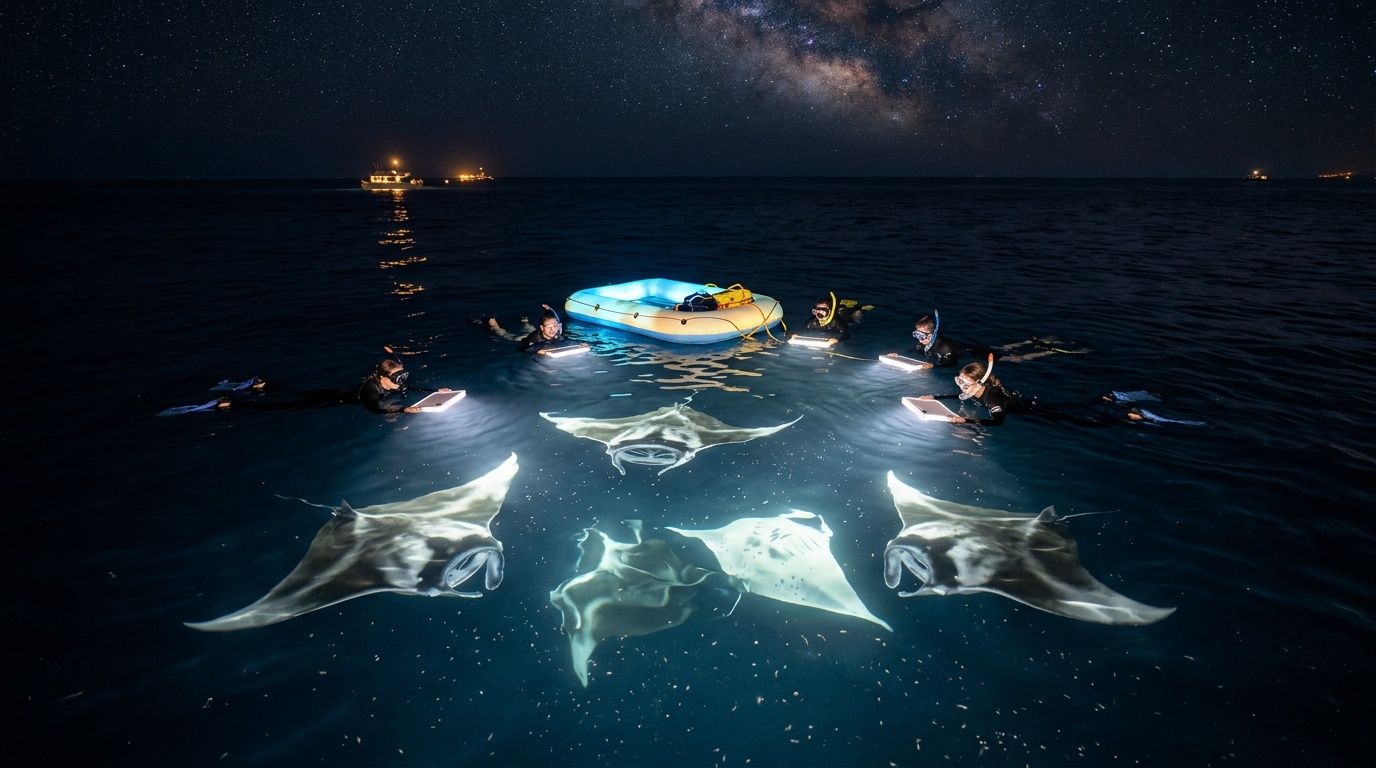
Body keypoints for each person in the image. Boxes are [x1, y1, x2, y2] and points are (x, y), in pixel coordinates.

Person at [919, 356, 1147, 427]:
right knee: (1076, 407)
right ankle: (1105, 399)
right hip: (1026, 402)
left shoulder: (993, 397)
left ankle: (1126, 416)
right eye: (960, 381)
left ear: (980, 383)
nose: (962, 386)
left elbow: (998, 421)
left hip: (1036, 411)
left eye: (966, 383)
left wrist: (966, 421)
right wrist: (934, 397)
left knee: (1082, 421)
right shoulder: (975, 391)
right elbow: (958, 395)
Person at [166, 359, 447, 416]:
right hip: (333, 401)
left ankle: (263, 383)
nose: (401, 382)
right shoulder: (371, 390)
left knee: (297, 392)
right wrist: (401, 409)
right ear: (385, 377)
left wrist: (438, 390)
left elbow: (415, 385)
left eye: (401, 377)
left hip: (335, 392)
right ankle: (230, 402)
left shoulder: (390, 383)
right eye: (397, 378)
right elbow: (373, 408)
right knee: (286, 406)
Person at [487, 304, 573, 354]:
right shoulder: (534, 338)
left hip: (539, 333)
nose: (552, 330)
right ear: (542, 328)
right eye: (549, 327)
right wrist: (537, 350)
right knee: (508, 335)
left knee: (531, 329)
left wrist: (580, 344)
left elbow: (557, 320)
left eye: (554, 326)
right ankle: (495, 326)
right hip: (525, 338)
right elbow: (522, 349)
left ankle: (525, 323)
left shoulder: (557, 331)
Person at [886, 311, 959, 369]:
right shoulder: (923, 342)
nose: (918, 339)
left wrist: (934, 366)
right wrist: (898, 355)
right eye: (916, 334)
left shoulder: (946, 347)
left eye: (921, 335)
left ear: (930, 336)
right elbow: (913, 351)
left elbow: (951, 364)